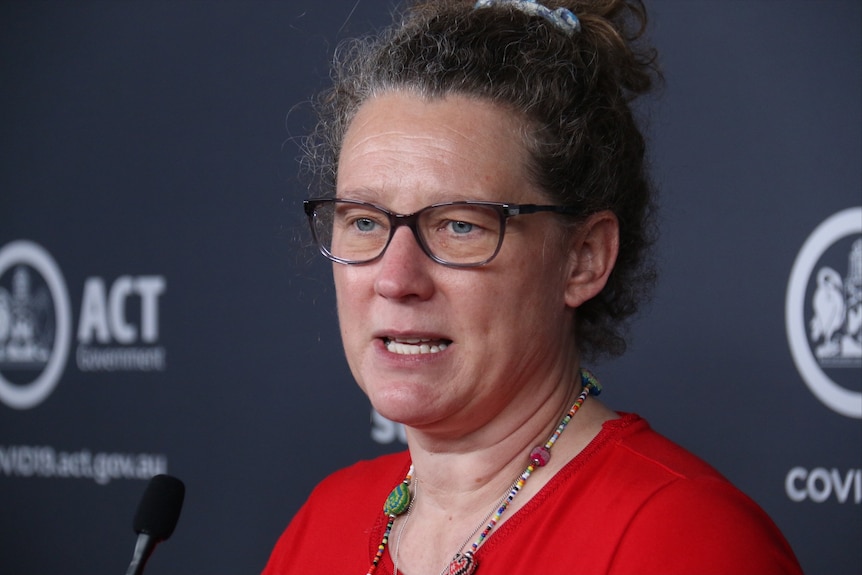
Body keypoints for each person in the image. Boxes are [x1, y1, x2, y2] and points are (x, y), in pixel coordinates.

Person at [263, 1, 803, 573]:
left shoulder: (683, 540)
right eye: (365, 221)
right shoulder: (325, 520)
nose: (396, 279)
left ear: (583, 259)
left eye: (459, 226)